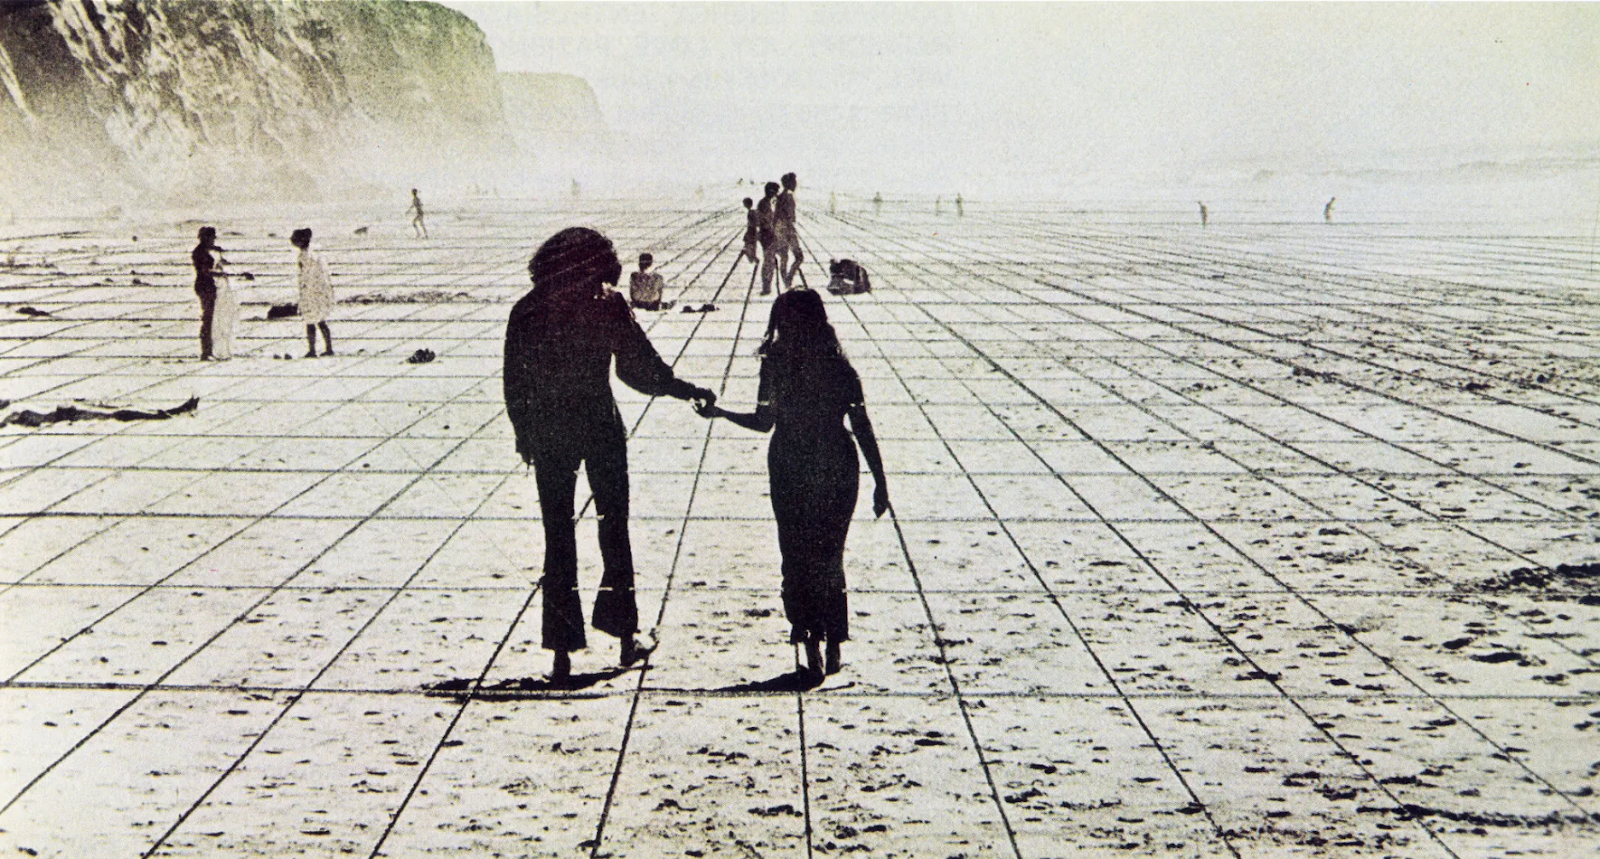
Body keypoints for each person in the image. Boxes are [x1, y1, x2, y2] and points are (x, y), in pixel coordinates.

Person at [504, 227, 717, 682]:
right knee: (613, 530)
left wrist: (524, 434)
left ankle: (561, 653)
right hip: (599, 424)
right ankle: (624, 639)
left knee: (558, 537)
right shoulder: (607, 303)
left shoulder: (528, 308)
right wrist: (685, 390)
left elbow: (514, 382)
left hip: (550, 431)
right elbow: (638, 369)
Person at [695, 289, 889, 680]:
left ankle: (809, 639)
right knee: (830, 554)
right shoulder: (840, 367)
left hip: (790, 460)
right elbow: (862, 426)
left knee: (796, 552)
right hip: (837, 459)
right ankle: (834, 642)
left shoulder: (776, 365)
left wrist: (720, 413)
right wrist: (880, 481)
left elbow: (763, 422)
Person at [292, 228, 334, 357]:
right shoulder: (315, 253)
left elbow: (306, 277)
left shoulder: (305, 256)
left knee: (310, 321)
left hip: (311, 292)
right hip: (320, 291)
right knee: (321, 320)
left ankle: (312, 350)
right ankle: (328, 348)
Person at [191, 226, 221, 360]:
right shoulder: (201, 252)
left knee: (208, 318)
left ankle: (208, 350)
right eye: (212, 238)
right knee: (207, 318)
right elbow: (205, 270)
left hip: (205, 285)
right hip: (205, 285)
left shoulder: (201, 250)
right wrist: (219, 274)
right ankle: (205, 351)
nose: (213, 240)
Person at [774, 172, 803, 289]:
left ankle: (786, 281)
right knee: (799, 257)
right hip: (787, 229)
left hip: (779, 229)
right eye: (794, 182)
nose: (796, 184)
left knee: (784, 257)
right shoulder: (789, 197)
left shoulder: (780, 197)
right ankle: (788, 279)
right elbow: (790, 217)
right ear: (789, 183)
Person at [757, 182, 779, 295]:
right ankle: (766, 287)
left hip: (767, 235)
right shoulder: (764, 204)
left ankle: (767, 286)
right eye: (775, 192)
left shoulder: (766, 203)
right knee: (769, 261)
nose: (776, 194)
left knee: (769, 261)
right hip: (767, 236)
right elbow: (766, 222)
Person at [740, 197, 760, 265]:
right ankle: (753, 257)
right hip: (753, 231)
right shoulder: (754, 212)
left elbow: (752, 223)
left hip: (751, 231)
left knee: (749, 244)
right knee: (752, 245)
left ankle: (752, 257)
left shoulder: (750, 213)